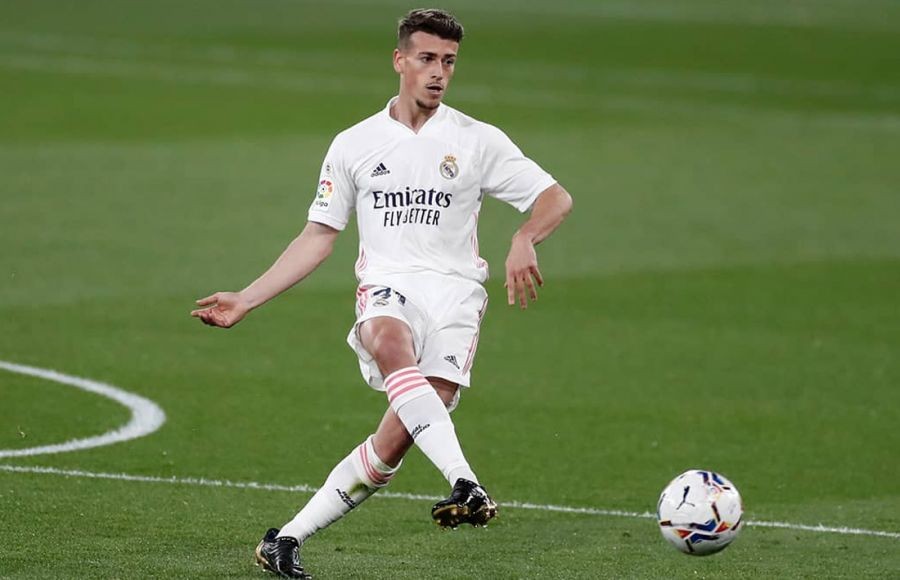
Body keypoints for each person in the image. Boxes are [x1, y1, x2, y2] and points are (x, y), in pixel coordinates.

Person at [191, 8, 572, 579]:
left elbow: (554, 197)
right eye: (426, 59)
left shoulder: (476, 140)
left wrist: (525, 234)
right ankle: (465, 482)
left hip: (457, 299)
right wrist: (248, 296)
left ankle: (286, 539)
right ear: (399, 61)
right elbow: (319, 236)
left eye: (448, 61)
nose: (438, 72)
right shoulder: (354, 144)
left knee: (393, 441)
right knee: (390, 340)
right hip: (387, 289)